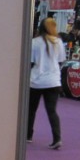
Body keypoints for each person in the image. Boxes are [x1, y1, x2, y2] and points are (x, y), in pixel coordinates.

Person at [27, 17, 66, 150]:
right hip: (53, 81)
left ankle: (28, 135)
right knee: (52, 111)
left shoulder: (35, 42)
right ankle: (57, 138)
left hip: (36, 81)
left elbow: (31, 62)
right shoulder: (58, 42)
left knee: (31, 110)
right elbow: (60, 60)